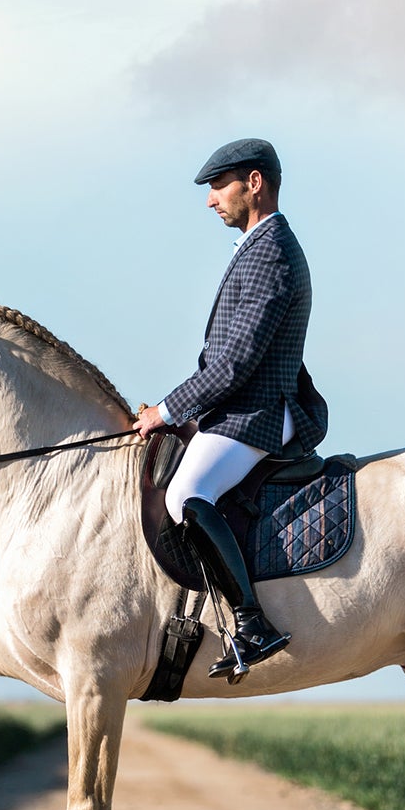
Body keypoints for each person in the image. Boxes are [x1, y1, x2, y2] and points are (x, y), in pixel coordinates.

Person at [133, 137, 328, 679]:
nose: (211, 199)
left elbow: (236, 362)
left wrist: (167, 410)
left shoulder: (272, 253)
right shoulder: (258, 246)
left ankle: (252, 624)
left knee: (185, 494)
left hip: (258, 410)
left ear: (255, 183)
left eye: (219, 186)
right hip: (242, 406)